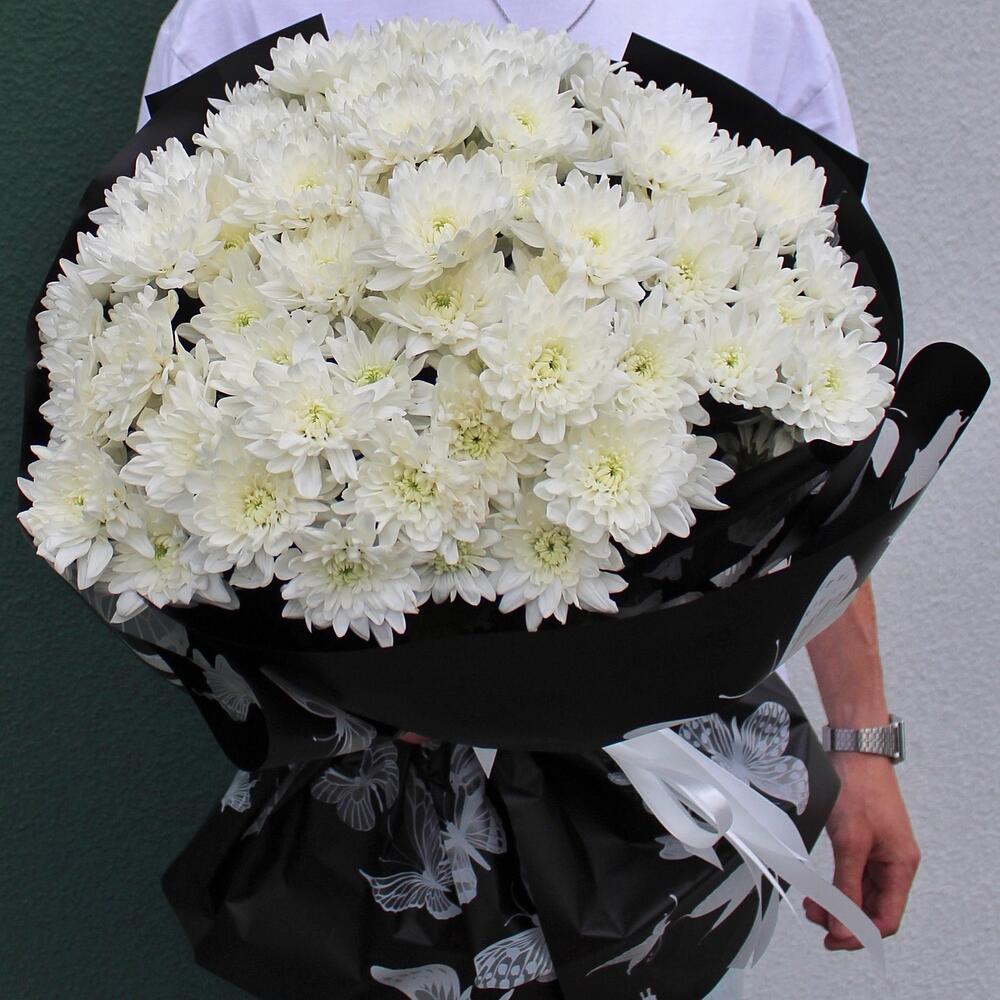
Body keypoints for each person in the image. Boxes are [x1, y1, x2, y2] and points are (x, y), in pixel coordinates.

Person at [138, 2, 921, 994]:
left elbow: (811, 423)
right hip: (358, 789)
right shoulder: (243, 12)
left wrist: (861, 739)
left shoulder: (747, 17)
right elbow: (163, 371)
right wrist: (365, 681)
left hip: (655, 797)